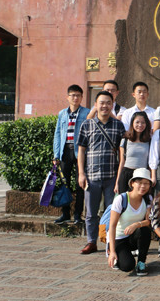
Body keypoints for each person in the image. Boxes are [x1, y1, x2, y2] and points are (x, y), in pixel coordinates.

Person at [78, 90, 125, 255]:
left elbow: (122, 153)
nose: (104, 106)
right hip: (92, 177)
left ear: (112, 105)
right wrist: (81, 174)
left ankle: (109, 241)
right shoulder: (87, 124)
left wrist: (119, 178)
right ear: (96, 105)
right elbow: (81, 151)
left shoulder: (118, 126)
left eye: (108, 103)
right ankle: (91, 242)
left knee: (112, 211)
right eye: (101, 102)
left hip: (111, 176)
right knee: (91, 212)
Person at [52, 84, 89, 224]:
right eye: (72, 95)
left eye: (78, 95)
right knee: (64, 183)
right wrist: (56, 155)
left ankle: (78, 215)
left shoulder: (86, 112)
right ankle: (65, 213)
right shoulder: (62, 113)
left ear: (82, 97)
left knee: (80, 183)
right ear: (67, 97)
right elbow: (57, 135)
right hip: (65, 151)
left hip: (80, 151)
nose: (75, 98)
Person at [107, 168, 152, 275]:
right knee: (127, 266)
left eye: (146, 183)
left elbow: (149, 221)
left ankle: (141, 262)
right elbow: (112, 226)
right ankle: (119, 255)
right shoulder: (121, 199)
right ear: (132, 183)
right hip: (119, 239)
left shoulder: (148, 199)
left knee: (144, 230)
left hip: (133, 236)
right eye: (139, 183)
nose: (143, 186)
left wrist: (137, 224)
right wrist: (112, 251)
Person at [115, 112, 153, 195]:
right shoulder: (125, 140)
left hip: (141, 175)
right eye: (137, 122)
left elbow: (150, 163)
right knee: (125, 203)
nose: (140, 125)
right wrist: (117, 182)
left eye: (143, 122)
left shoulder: (149, 141)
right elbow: (122, 162)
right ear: (132, 123)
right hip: (126, 174)